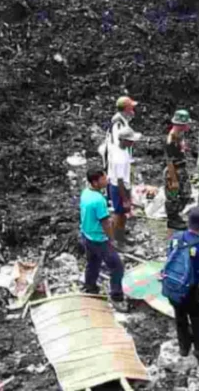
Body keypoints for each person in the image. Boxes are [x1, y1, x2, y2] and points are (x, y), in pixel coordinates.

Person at [167, 207, 199, 361]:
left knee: (180, 317)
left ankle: (184, 347)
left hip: (173, 286)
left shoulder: (176, 238)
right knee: (198, 319)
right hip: (190, 290)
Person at [79, 167, 126, 309]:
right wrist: (112, 239)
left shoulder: (86, 193)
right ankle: (117, 297)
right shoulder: (99, 200)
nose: (106, 180)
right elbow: (105, 222)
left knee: (93, 262)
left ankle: (90, 287)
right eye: (103, 179)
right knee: (117, 267)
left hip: (87, 235)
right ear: (95, 182)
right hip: (99, 239)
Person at [108, 126, 141, 247]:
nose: (132, 143)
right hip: (119, 188)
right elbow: (120, 180)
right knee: (120, 215)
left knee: (123, 214)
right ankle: (118, 241)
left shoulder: (119, 149)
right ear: (122, 140)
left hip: (120, 186)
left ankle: (121, 236)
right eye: (130, 140)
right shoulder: (119, 158)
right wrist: (126, 198)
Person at [165, 110, 194, 232]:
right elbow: (169, 161)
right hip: (174, 171)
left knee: (186, 194)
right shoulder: (171, 139)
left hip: (181, 168)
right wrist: (174, 179)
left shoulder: (180, 135)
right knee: (172, 196)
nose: (188, 126)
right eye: (186, 123)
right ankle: (172, 219)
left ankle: (176, 214)